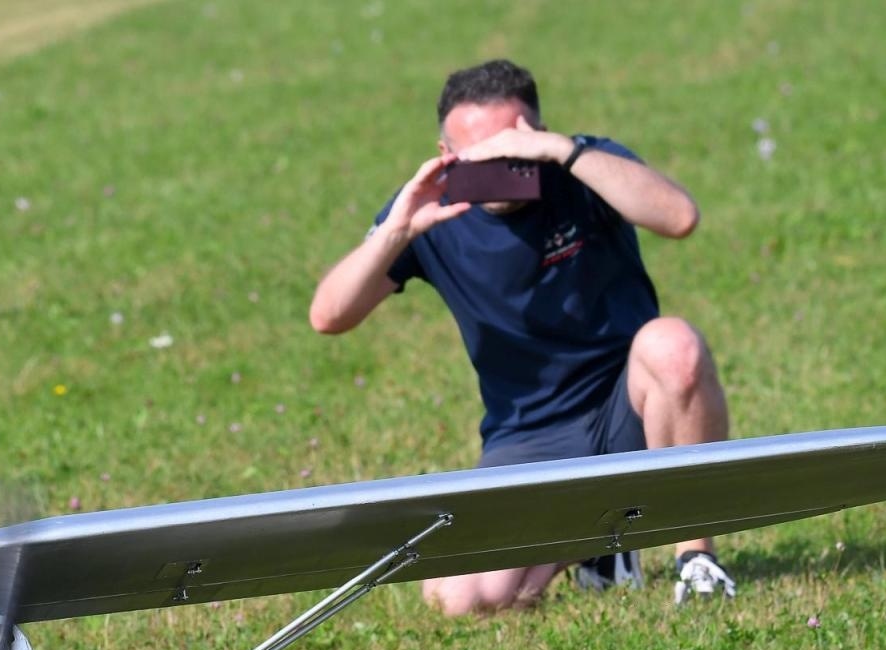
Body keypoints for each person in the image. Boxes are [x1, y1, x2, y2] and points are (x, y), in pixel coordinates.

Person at [309, 58, 736, 615]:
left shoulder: (584, 167)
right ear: (445, 154)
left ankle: (695, 559)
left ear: (535, 131)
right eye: (474, 155)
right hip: (529, 437)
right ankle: (600, 545)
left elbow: (679, 216)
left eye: (511, 148)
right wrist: (396, 231)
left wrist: (564, 153)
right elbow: (329, 315)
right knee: (460, 598)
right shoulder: (429, 210)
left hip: (629, 404)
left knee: (673, 345)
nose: (496, 166)